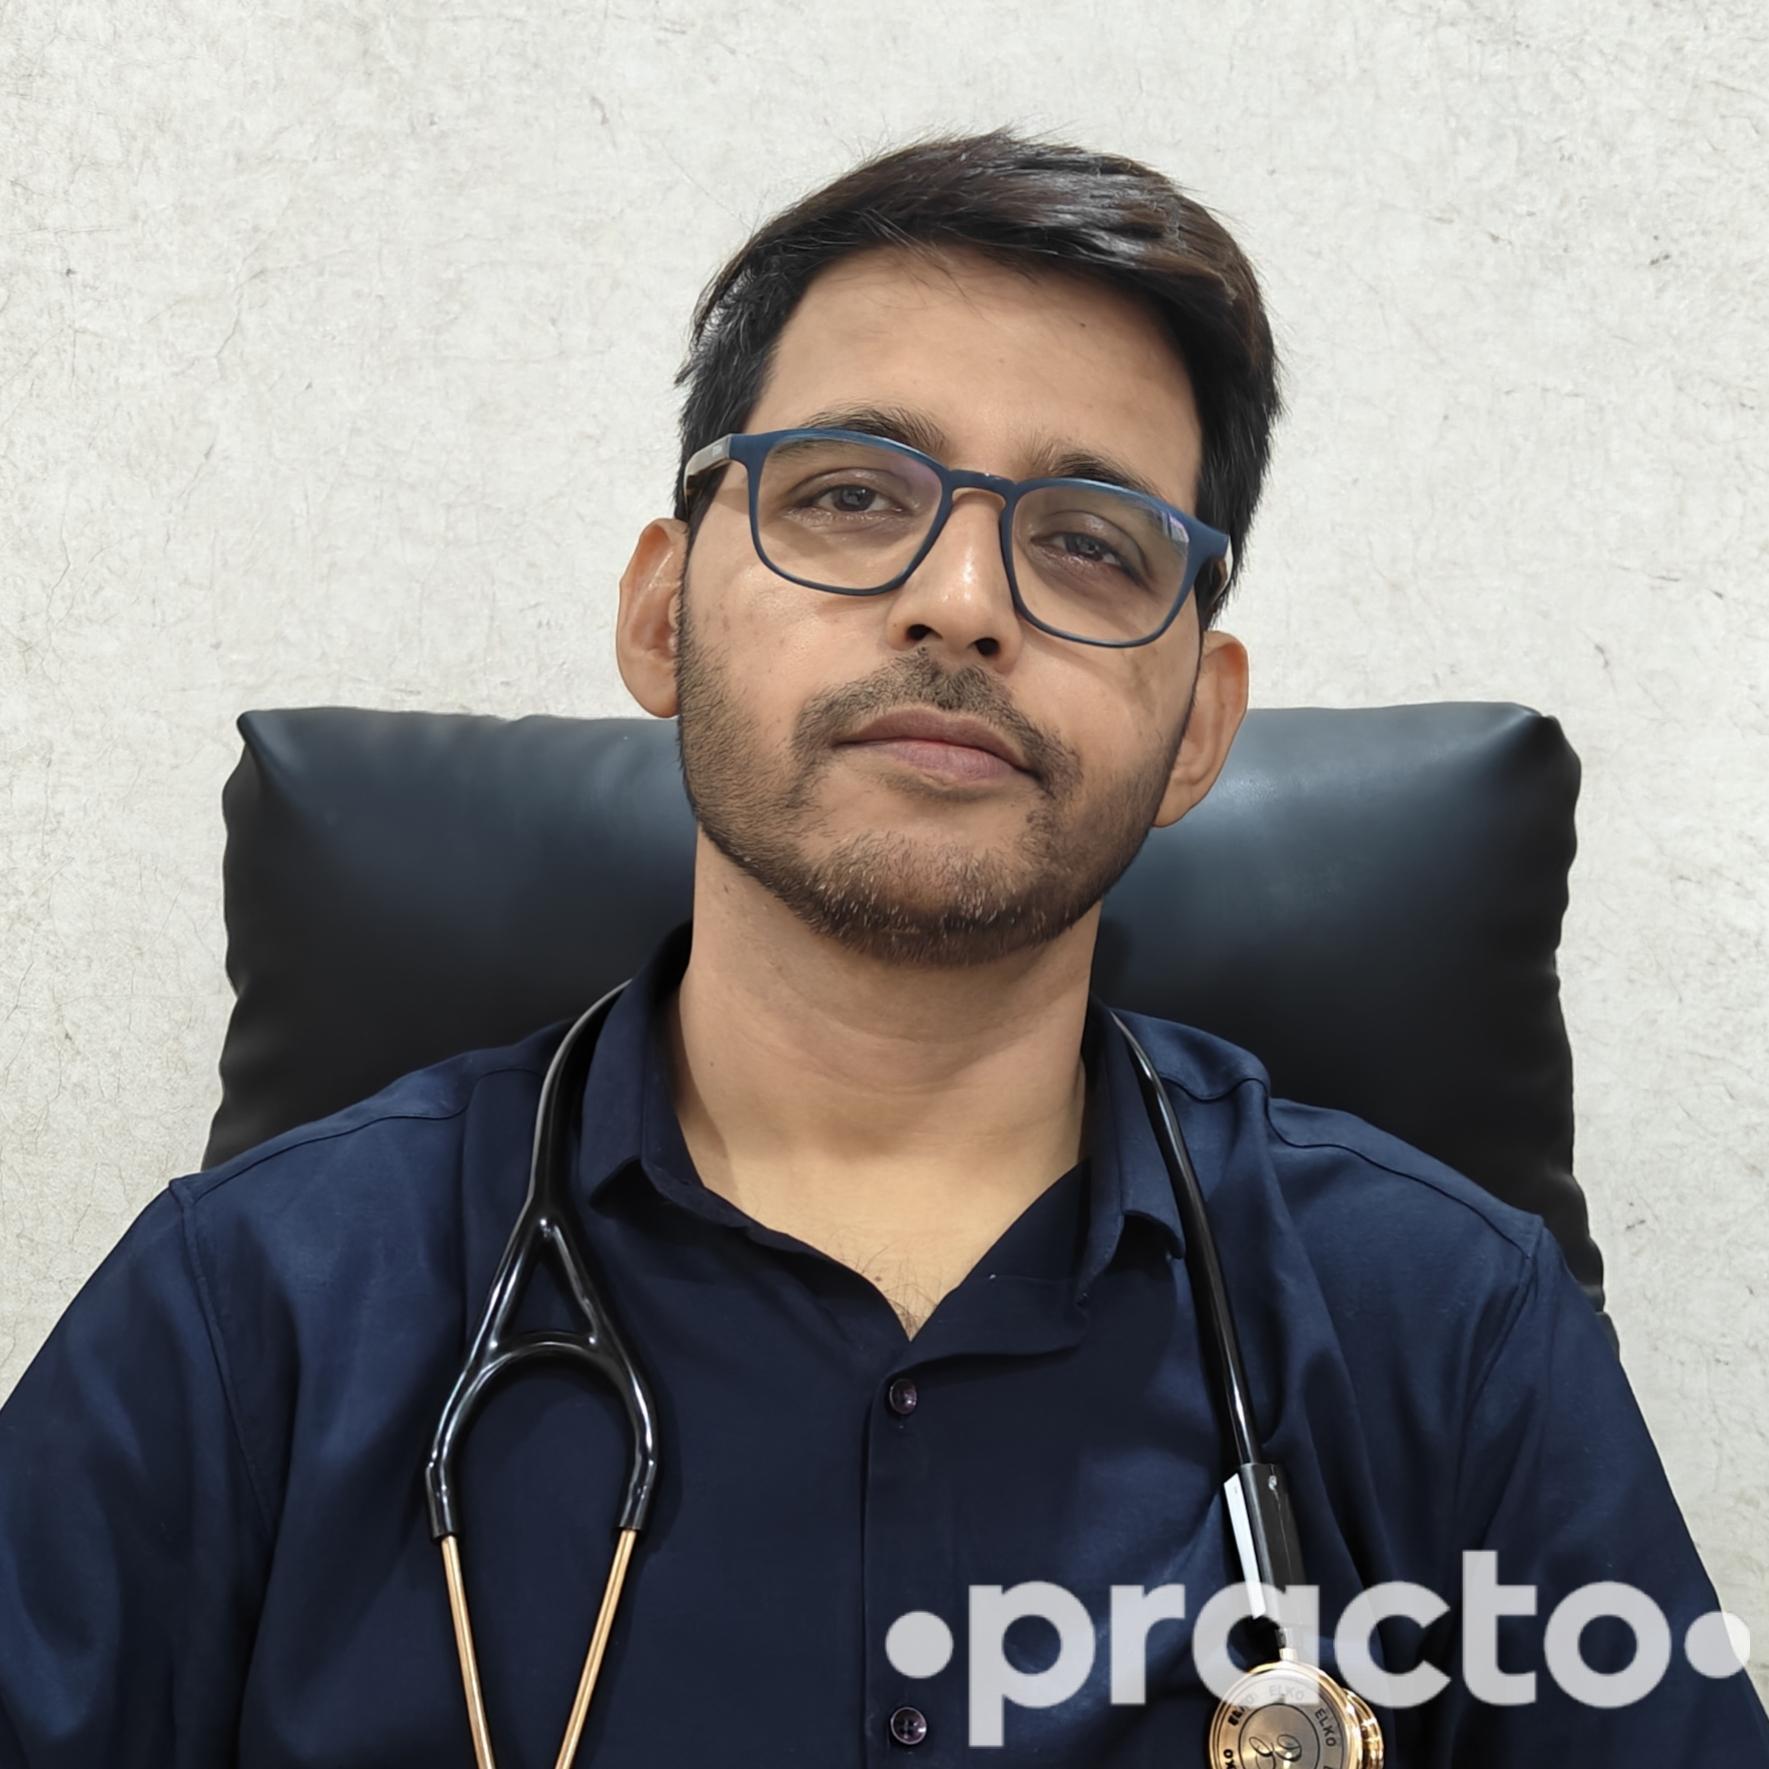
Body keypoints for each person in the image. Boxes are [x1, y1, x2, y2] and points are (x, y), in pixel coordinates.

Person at [1, 126, 1764, 1767]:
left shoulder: (1449, 1330)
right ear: (662, 612)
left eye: (1090, 543)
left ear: (1199, 728)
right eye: (850, 496)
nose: (961, 601)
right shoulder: (249, 1312)